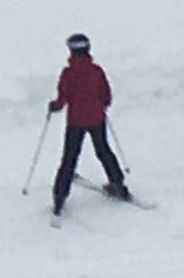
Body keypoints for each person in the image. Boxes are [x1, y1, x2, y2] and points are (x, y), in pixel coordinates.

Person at [48, 34, 130, 217]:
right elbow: (106, 96)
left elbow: (62, 99)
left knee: (69, 157)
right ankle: (118, 184)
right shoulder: (96, 71)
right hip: (96, 119)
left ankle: (60, 196)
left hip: (75, 121)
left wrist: (53, 106)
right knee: (103, 151)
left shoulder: (68, 73)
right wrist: (101, 105)